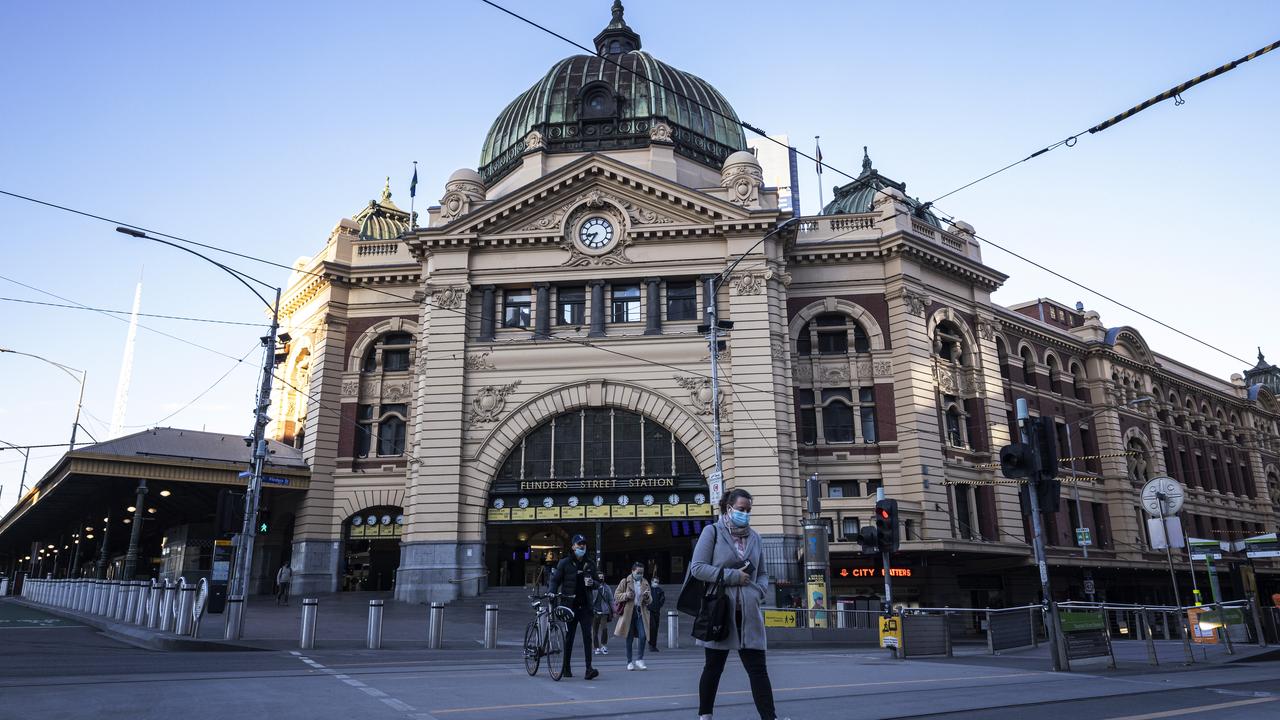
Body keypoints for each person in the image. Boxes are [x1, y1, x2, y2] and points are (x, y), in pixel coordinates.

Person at [690, 488, 787, 720]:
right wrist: (733, 576)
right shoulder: (712, 532)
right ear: (729, 508)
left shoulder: (756, 537)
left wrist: (759, 591)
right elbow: (698, 568)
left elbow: (762, 572)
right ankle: (705, 715)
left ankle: (769, 717)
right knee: (713, 668)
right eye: (742, 509)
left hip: (749, 613)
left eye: (748, 510)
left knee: (758, 669)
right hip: (721, 611)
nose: (745, 514)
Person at [548, 534, 600, 680]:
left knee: (587, 637)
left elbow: (597, 582)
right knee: (569, 637)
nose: (581, 547)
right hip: (569, 606)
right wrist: (552, 592)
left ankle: (589, 669)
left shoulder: (589, 563)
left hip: (585, 606)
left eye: (583, 544)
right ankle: (566, 667)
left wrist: (593, 584)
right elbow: (555, 580)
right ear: (573, 547)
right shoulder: (564, 563)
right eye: (579, 545)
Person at [613, 561, 651, 670]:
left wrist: (647, 597)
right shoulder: (625, 581)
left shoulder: (645, 583)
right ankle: (629, 661)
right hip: (628, 613)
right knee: (629, 637)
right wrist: (626, 595)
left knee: (643, 635)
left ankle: (640, 659)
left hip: (640, 612)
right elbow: (616, 596)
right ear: (633, 571)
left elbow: (650, 601)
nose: (640, 575)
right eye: (638, 572)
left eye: (642, 573)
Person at [592, 572, 613, 655]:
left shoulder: (607, 587)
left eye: (602, 577)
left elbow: (611, 599)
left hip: (604, 611)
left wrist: (614, 610)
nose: (601, 578)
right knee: (595, 630)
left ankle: (604, 646)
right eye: (599, 577)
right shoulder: (593, 587)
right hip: (594, 611)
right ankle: (596, 647)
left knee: (604, 629)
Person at [647, 576, 665, 653]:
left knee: (656, 628)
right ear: (651, 582)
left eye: (657, 582)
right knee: (652, 627)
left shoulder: (660, 590)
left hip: (657, 611)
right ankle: (651, 644)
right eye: (655, 581)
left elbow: (662, 599)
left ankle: (654, 645)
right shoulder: (648, 590)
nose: (656, 583)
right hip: (649, 611)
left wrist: (659, 606)